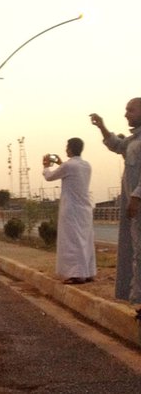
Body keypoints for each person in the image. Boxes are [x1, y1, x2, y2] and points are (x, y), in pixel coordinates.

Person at [90, 99, 141, 307]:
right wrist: (102, 126)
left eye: (131, 110)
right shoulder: (133, 140)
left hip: (137, 204)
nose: (126, 114)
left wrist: (136, 197)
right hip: (134, 208)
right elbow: (116, 145)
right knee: (136, 252)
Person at [42, 138, 96, 284]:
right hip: (85, 208)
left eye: (67, 147)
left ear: (71, 149)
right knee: (85, 241)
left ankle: (76, 274)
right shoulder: (86, 165)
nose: (66, 150)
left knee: (72, 241)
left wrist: (46, 166)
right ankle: (88, 272)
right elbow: (71, 172)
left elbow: (49, 177)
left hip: (71, 209)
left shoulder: (69, 166)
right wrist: (61, 163)